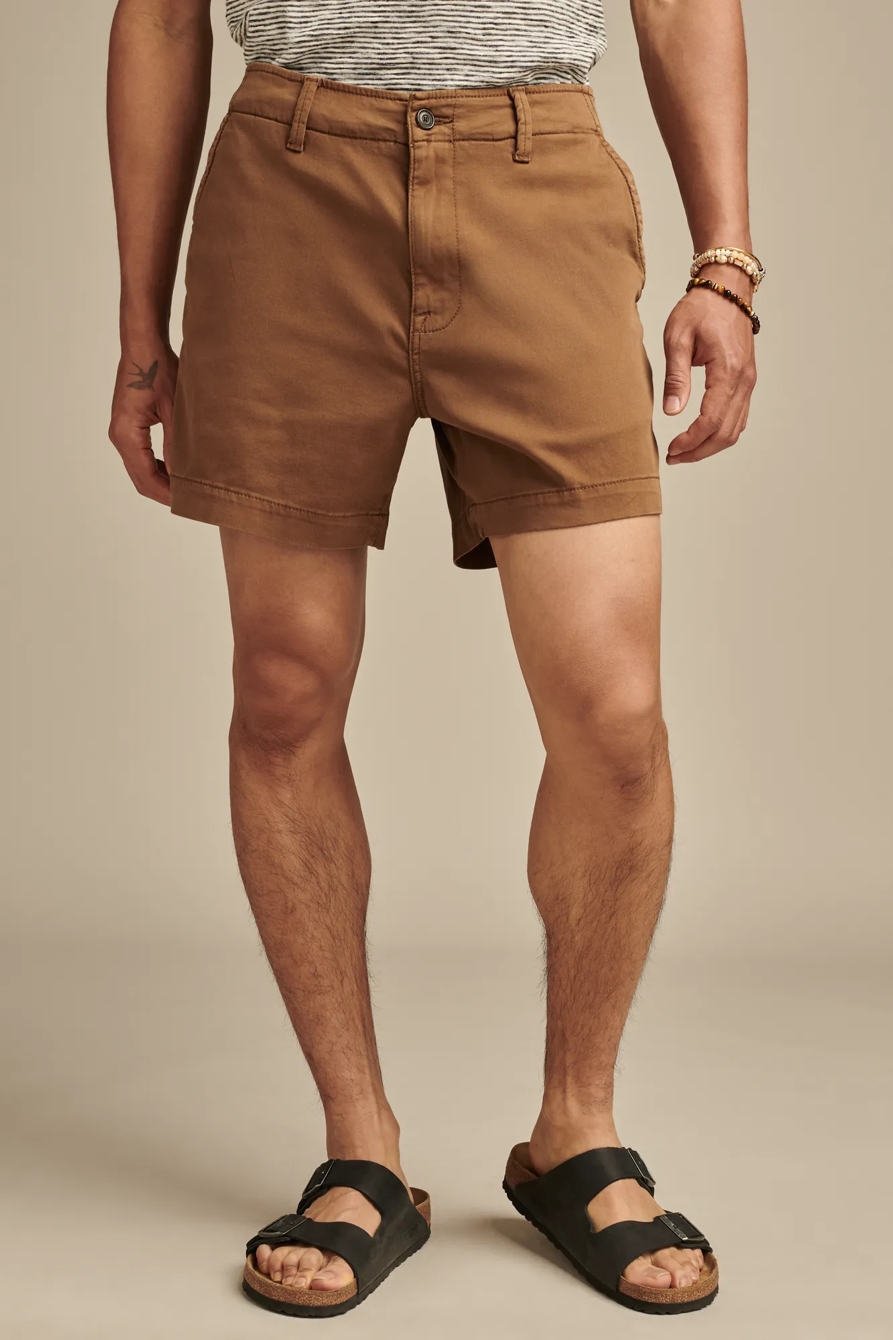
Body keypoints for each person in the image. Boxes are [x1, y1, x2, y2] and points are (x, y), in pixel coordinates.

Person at [107, 0, 759, 1319]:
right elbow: (162, 16)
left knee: (613, 713)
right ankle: (360, 1150)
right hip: (289, 179)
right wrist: (139, 326)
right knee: (283, 688)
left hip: (539, 174)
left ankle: (575, 1130)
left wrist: (726, 263)